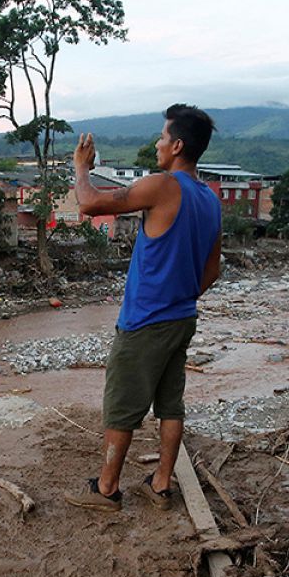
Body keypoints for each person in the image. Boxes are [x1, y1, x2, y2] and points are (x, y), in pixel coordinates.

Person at [64, 104, 223, 513]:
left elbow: (90, 204)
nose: (157, 143)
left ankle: (106, 489)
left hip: (145, 320)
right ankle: (162, 483)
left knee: (122, 405)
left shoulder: (163, 185)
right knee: (170, 403)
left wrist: (82, 168)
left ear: (178, 146)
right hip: (181, 317)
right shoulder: (209, 198)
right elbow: (213, 269)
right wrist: (181, 296)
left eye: (162, 137)